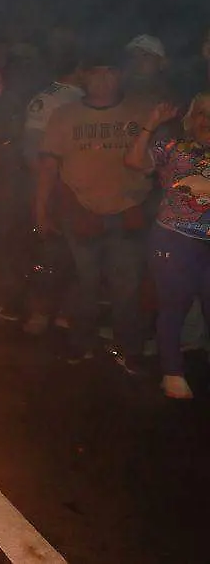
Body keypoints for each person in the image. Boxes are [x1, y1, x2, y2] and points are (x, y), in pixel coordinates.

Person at [37, 49, 152, 371]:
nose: (103, 80)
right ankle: (81, 344)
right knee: (84, 284)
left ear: (120, 76)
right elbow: (48, 167)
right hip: (80, 213)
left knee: (126, 288)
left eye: (110, 72)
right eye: (96, 72)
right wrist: (42, 210)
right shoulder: (65, 115)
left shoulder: (140, 112)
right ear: (84, 77)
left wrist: (143, 205)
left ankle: (129, 350)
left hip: (127, 212)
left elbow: (158, 165)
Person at [125, 95, 210, 398]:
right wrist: (151, 124)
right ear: (190, 118)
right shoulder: (175, 148)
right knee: (173, 307)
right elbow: (134, 161)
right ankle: (171, 372)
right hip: (175, 240)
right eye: (200, 113)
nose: (206, 120)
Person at [19, 48, 84, 334]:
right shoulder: (51, 99)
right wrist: (49, 188)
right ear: (81, 69)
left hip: (79, 192)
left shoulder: (80, 99)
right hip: (54, 189)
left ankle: (66, 313)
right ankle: (40, 313)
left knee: (77, 254)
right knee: (48, 252)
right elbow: (31, 150)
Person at [122, 34, 171, 103]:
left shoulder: (174, 105)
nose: (137, 63)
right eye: (133, 57)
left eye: (145, 56)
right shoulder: (117, 99)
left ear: (162, 63)